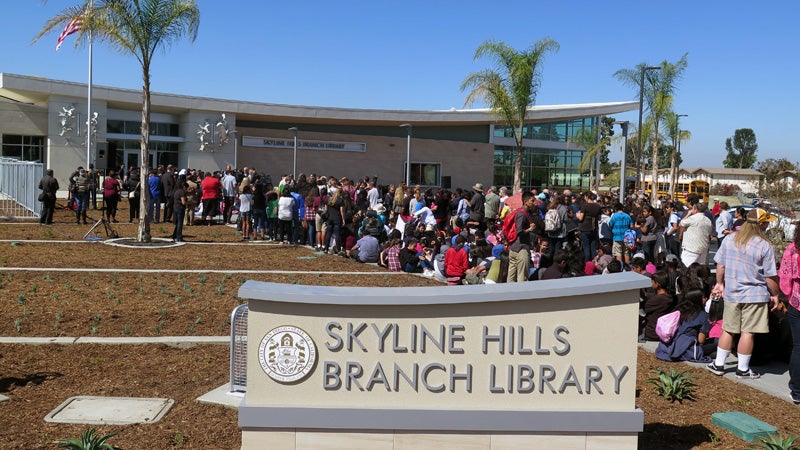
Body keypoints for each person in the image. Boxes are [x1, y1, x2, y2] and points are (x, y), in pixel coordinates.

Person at [708, 208, 781, 379]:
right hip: (755, 294)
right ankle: (742, 369)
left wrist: (719, 283)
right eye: (767, 222)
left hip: (732, 292)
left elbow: (720, 265)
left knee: (728, 329)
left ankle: (719, 364)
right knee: (748, 332)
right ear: (762, 224)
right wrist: (775, 294)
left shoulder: (730, 239)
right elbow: (770, 276)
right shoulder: (765, 246)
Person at [779, 221, 800, 404]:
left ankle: (797, 390)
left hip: (797, 301)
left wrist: (787, 295)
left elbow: (784, 277)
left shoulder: (793, 250)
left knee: (798, 347)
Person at [678, 201, 713, 267]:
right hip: (703, 248)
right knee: (699, 269)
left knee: (686, 267)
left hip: (691, 248)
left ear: (695, 209)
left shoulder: (692, 218)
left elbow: (681, 223)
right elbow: (711, 230)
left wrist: (688, 214)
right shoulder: (708, 220)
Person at [170, 177, 187, 242]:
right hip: (180, 208)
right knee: (180, 223)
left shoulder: (176, 191)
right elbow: (183, 202)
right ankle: (179, 236)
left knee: (177, 222)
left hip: (175, 207)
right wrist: (189, 202)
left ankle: (174, 235)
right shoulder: (182, 192)